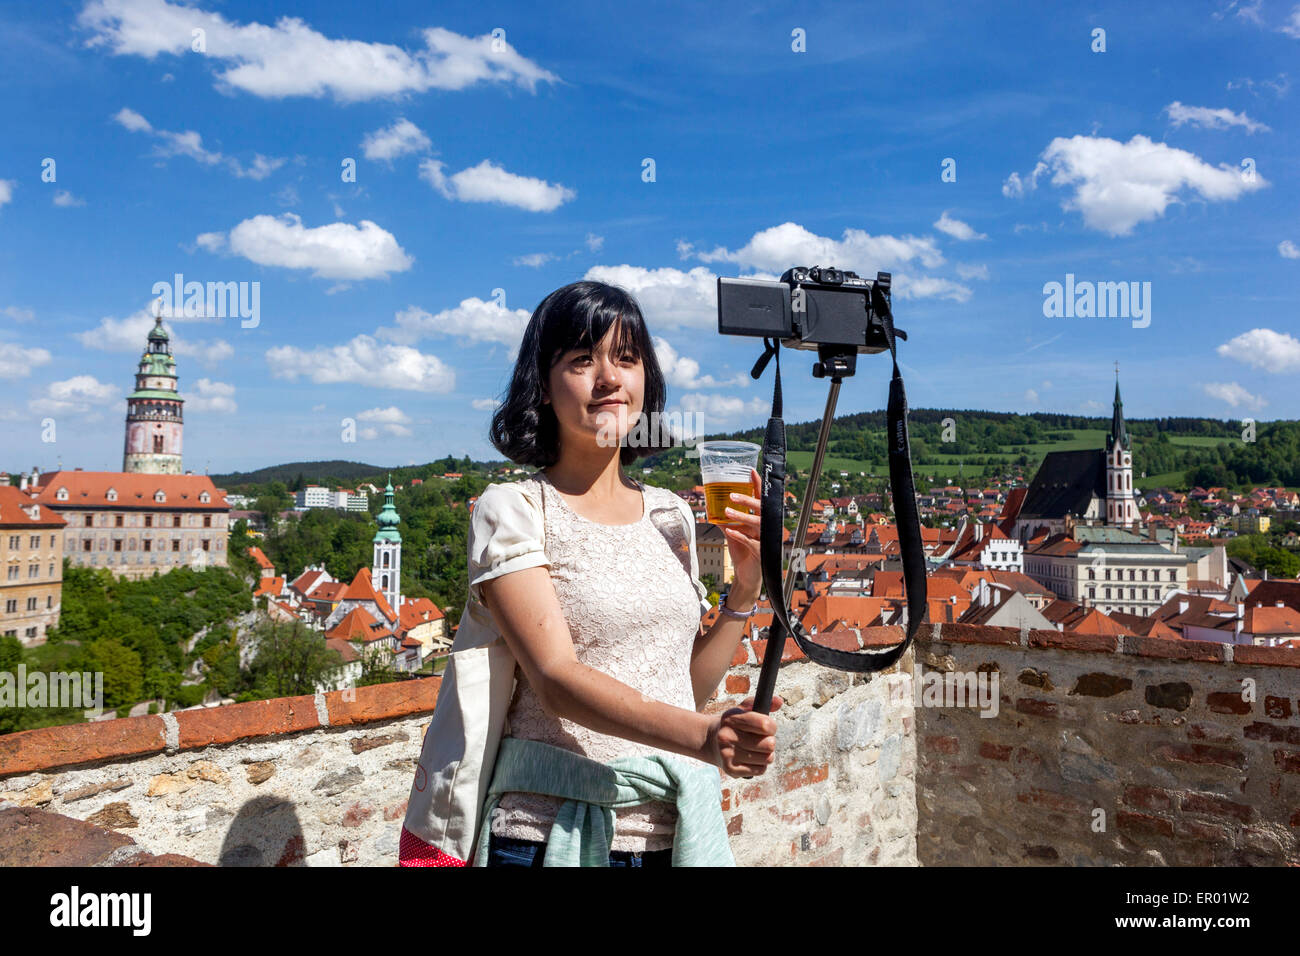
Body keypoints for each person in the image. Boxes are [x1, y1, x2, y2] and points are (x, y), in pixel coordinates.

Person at [474, 279, 781, 867]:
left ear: (647, 381)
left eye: (626, 358)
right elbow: (556, 678)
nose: (609, 377)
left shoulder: (670, 514)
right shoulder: (514, 510)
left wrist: (745, 589)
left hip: (670, 831)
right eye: (582, 359)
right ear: (542, 384)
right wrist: (703, 737)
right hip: (549, 831)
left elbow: (679, 687)